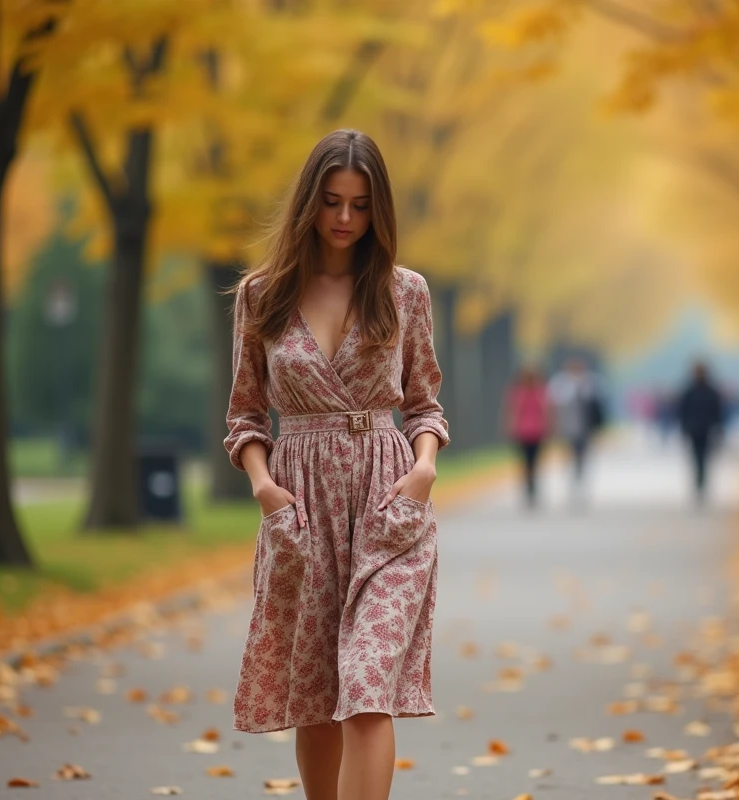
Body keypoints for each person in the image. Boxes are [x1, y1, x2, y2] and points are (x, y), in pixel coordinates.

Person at [224, 129, 449, 800]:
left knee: (370, 683)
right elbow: (244, 416)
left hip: (388, 505)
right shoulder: (261, 296)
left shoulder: (405, 292)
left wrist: (423, 469)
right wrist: (266, 489)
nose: (345, 219)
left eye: (359, 204)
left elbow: (425, 403)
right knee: (318, 695)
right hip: (303, 508)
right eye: (331, 202)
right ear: (308, 205)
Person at [548, 357, 605, 501]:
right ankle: (571, 478)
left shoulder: (590, 383)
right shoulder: (560, 383)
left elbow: (596, 406)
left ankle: (579, 478)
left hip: (585, 428)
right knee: (569, 455)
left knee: (582, 455)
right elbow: (555, 403)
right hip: (567, 428)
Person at [677, 361, 724, 504]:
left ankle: (701, 482)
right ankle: (700, 482)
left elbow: (717, 411)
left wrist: (718, 427)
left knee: (703, 457)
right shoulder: (692, 391)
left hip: (705, 429)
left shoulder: (703, 391)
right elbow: (682, 411)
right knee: (698, 457)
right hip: (695, 429)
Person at [504, 365, 550, 507]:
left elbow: (547, 411)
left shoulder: (540, 391)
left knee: (533, 462)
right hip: (523, 433)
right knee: (526, 462)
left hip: (537, 432)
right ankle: (529, 486)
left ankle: (532, 486)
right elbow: (512, 411)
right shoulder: (519, 392)